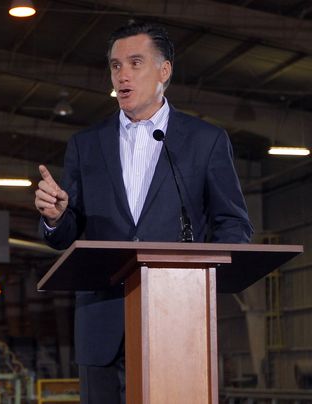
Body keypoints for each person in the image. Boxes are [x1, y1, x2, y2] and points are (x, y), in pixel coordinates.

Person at [34, 22, 253, 404]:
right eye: (116, 65)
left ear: (164, 71)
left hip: (180, 323)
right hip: (102, 323)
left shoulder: (206, 141)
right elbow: (70, 231)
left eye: (135, 63)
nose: (123, 75)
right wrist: (56, 216)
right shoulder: (86, 145)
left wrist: (205, 280)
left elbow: (232, 224)